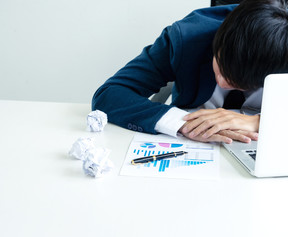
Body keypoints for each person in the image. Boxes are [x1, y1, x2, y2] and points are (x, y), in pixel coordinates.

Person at [92, 0, 288, 143]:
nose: (222, 83)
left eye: (241, 83)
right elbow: (110, 93)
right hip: (194, 145)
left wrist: (261, 122)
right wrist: (182, 123)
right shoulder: (185, 38)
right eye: (220, 65)